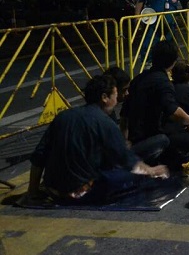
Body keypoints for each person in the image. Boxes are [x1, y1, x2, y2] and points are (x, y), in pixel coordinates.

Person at [25, 75, 168, 205]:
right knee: (132, 176)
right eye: (115, 96)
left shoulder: (63, 116)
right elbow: (126, 160)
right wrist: (151, 171)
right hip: (80, 193)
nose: (117, 100)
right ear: (105, 97)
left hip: (54, 191)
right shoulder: (105, 123)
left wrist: (33, 191)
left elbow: (39, 156)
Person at [120, 41, 189, 168]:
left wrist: (126, 141)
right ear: (173, 62)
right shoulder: (163, 82)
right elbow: (172, 110)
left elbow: (124, 116)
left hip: (134, 140)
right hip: (148, 140)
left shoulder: (139, 78)